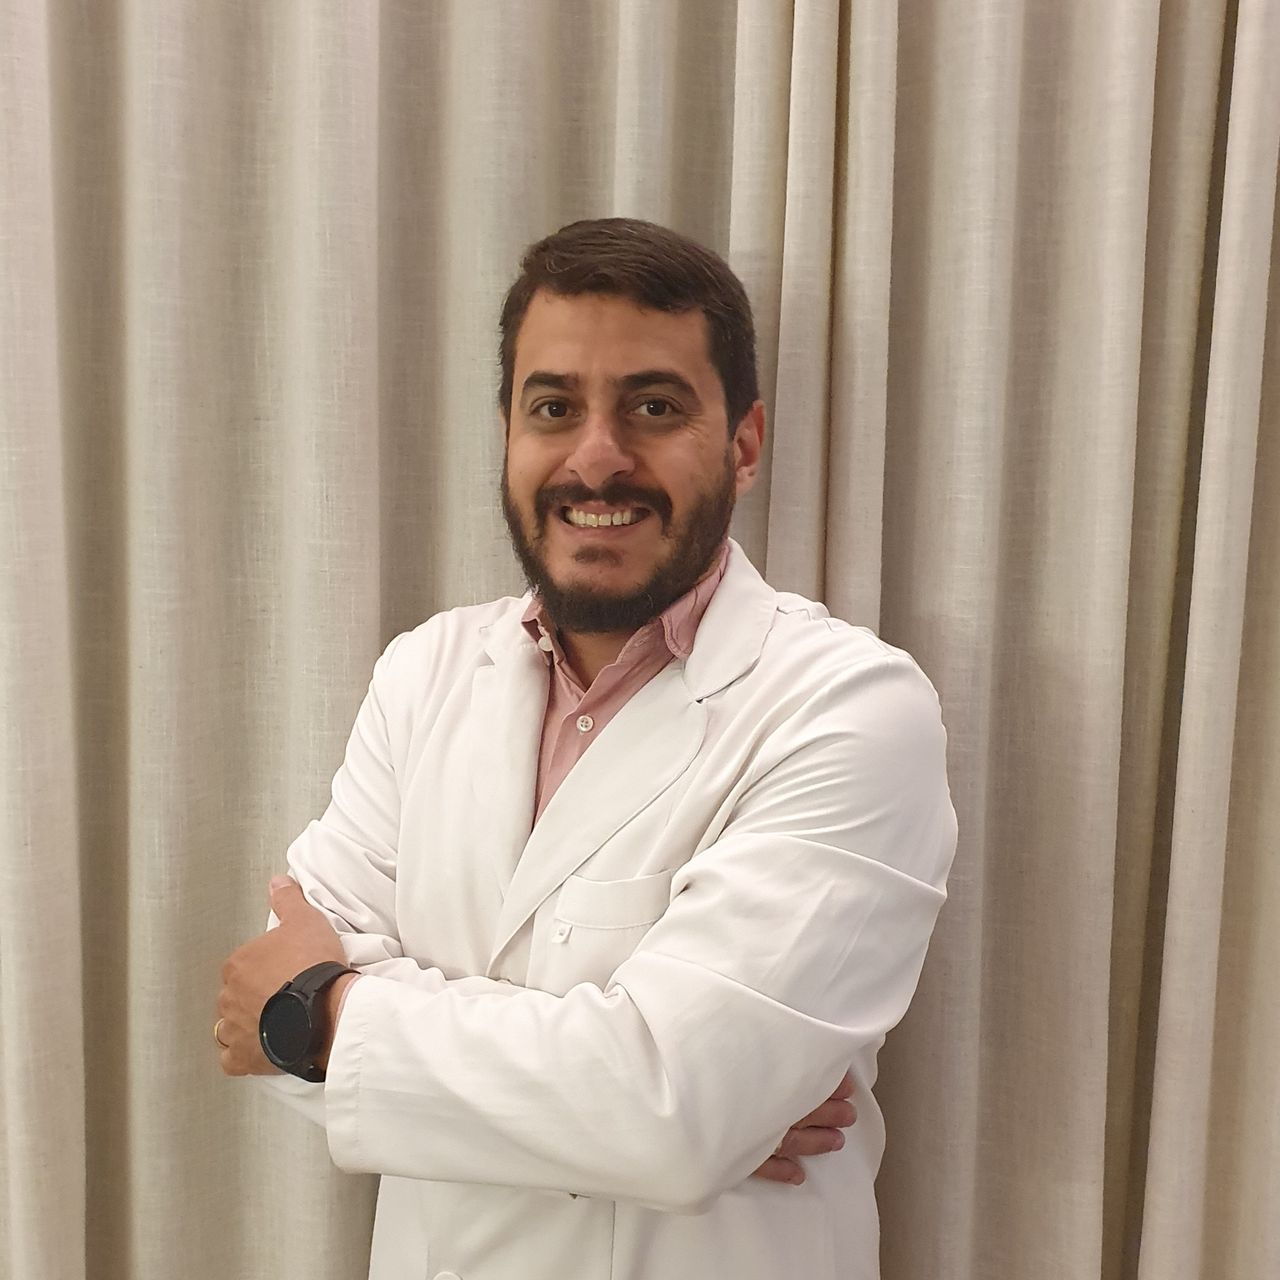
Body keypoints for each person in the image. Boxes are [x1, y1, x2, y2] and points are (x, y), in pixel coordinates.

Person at [216, 217, 957, 1280]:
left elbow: (672, 1113)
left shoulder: (850, 707)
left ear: (744, 444)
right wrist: (636, 1105)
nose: (596, 457)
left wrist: (325, 1019)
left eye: (653, 407)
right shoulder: (423, 674)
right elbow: (265, 997)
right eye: (553, 407)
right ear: (507, 434)